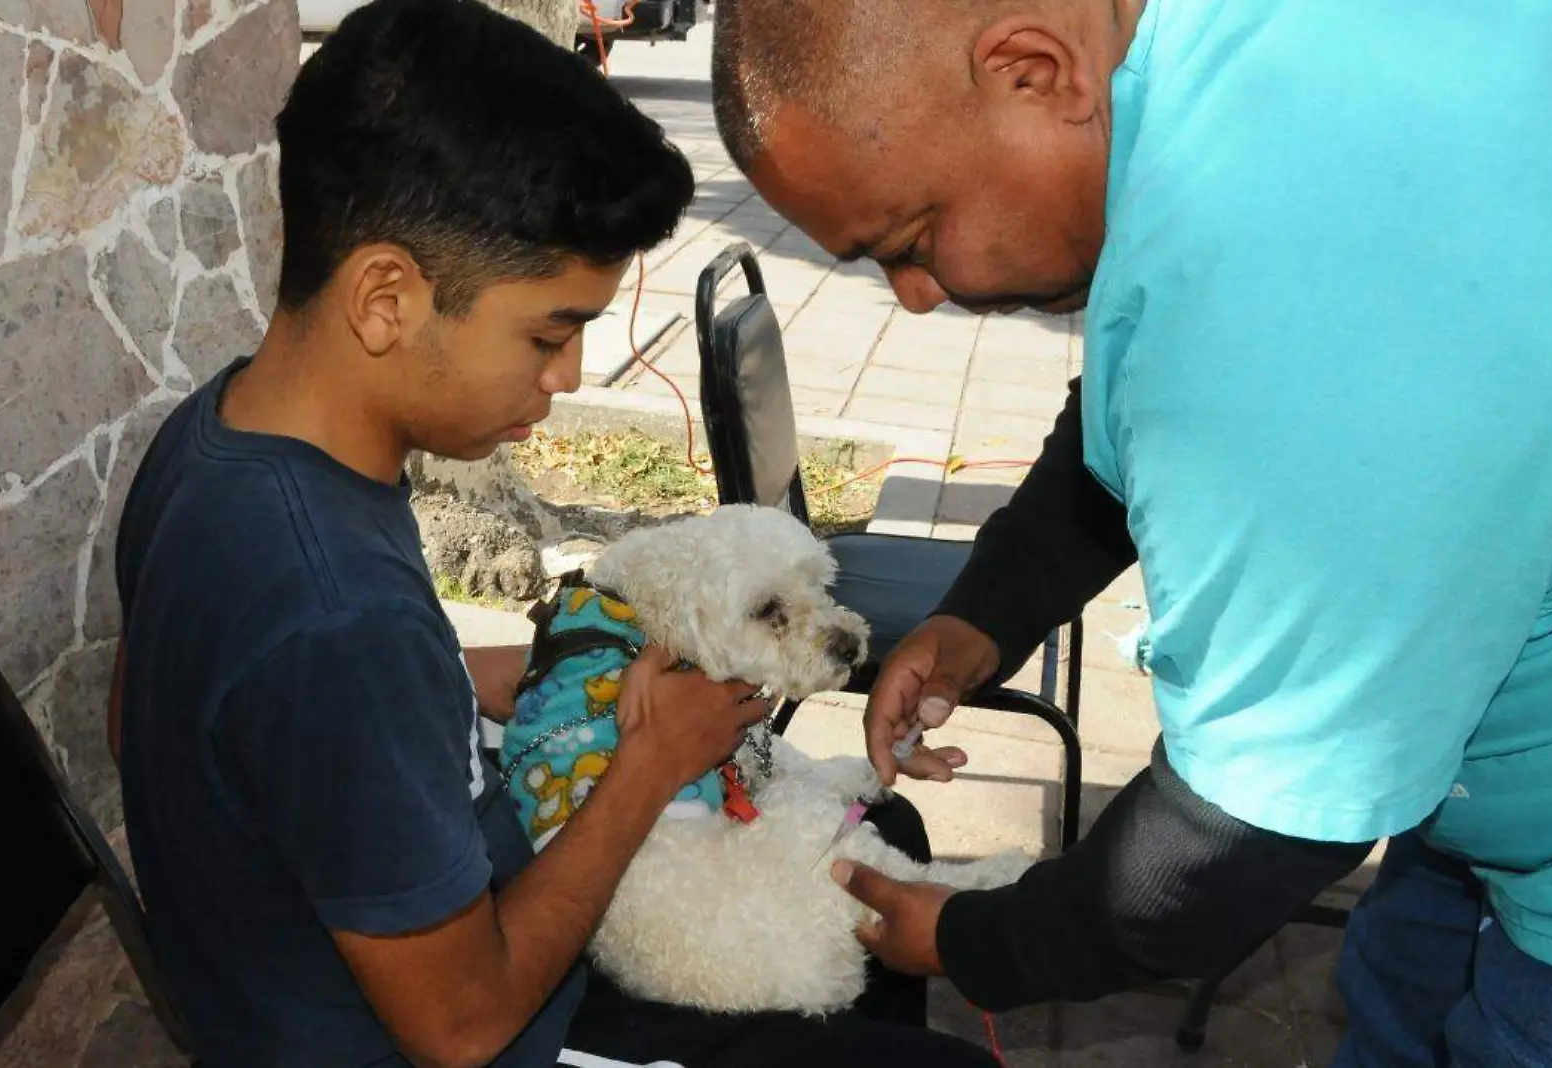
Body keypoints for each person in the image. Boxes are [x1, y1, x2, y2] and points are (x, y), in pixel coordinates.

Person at [710, 0, 1552, 1065]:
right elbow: (1141, 379)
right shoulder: (1239, 67)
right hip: (1527, 756)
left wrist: (972, 937)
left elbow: (1232, 838)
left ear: (1034, 70)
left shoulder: (1292, 290)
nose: (919, 297)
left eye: (911, 239)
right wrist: (984, 615)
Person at [107, 1, 996, 1065]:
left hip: (387, 946)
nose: (567, 375)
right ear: (386, 296)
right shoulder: (336, 617)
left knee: (883, 845)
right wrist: (646, 761)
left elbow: (148, 713)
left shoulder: (215, 438)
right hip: (491, 1024)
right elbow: (464, 1025)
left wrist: (467, 680)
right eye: (549, 331)